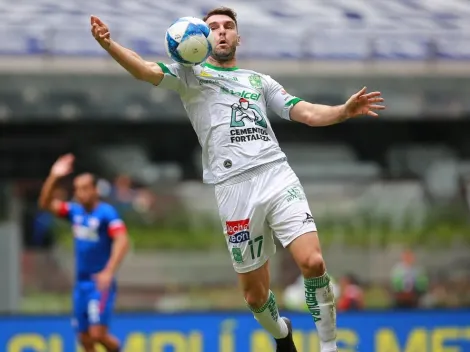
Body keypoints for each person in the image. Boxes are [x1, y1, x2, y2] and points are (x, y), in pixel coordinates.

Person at [90, 7, 385, 352]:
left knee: (313, 262)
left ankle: (329, 345)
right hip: (233, 189)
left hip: (275, 173)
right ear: (202, 36)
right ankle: (282, 334)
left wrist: (342, 111)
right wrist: (110, 45)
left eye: (229, 26)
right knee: (255, 296)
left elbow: (303, 111)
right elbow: (144, 70)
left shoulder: (258, 81)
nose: (222, 31)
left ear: (238, 37)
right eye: (214, 27)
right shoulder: (190, 76)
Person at [38, 154, 130, 352]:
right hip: (81, 284)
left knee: (98, 334)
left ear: (96, 190)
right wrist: (54, 176)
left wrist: (109, 271)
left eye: (85, 188)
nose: (80, 193)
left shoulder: (106, 213)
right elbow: (45, 203)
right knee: (85, 338)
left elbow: (123, 240)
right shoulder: (75, 212)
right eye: (77, 189)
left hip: (99, 282)